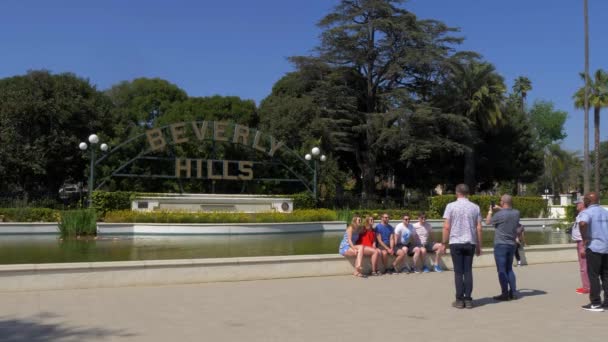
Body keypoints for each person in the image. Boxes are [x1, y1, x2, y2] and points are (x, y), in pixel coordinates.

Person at [440, 184, 482, 309]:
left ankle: (459, 300)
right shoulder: (475, 207)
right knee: (468, 271)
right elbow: (479, 228)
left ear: (457, 192)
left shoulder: (450, 206)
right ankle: (468, 300)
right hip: (470, 242)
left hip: (455, 242)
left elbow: (447, 227)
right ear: (468, 193)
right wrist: (479, 245)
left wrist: (443, 243)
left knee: (458, 272)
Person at [485, 194, 520, 301]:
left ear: (503, 202)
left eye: (500, 201)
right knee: (509, 269)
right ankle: (513, 292)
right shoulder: (516, 213)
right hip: (512, 245)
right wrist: (500, 209)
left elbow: (487, 222)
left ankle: (504, 294)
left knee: (501, 270)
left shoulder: (499, 215)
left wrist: (490, 211)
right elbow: (507, 213)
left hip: (501, 245)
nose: (500, 202)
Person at [578, 192, 608, 312]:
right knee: (606, 275)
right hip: (606, 247)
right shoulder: (605, 211)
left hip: (594, 247)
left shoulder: (587, 212)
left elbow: (582, 223)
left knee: (593, 276)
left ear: (587, 201)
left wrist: (584, 237)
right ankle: (607, 302)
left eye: (584, 199)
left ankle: (595, 303)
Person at [570, 198, 590, 294]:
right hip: (580, 241)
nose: (576, 205)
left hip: (582, 242)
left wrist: (583, 246)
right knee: (584, 265)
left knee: (584, 266)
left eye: (578, 203)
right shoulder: (581, 214)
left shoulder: (584, 214)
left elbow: (585, 229)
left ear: (582, 204)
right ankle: (586, 286)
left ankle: (587, 288)